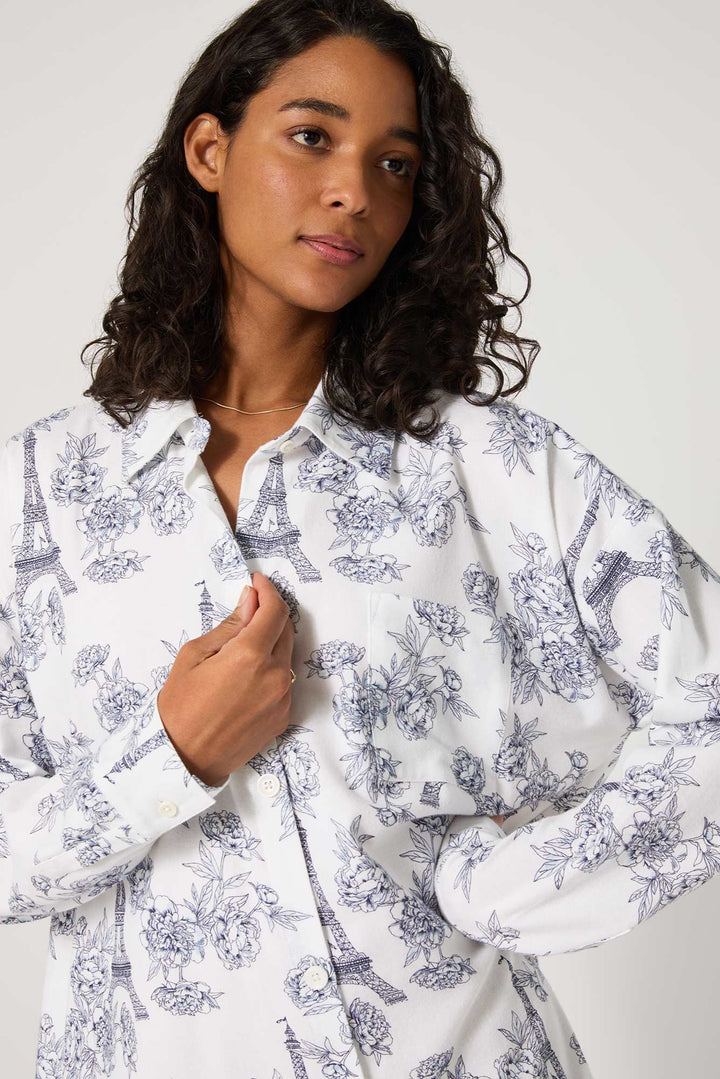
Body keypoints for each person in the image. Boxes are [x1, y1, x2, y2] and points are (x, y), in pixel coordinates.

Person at [1, 0, 718, 1076]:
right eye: (311, 136)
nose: (354, 191)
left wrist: (515, 890)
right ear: (210, 149)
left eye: (395, 165)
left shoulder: (489, 466)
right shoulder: (37, 493)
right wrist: (170, 756)